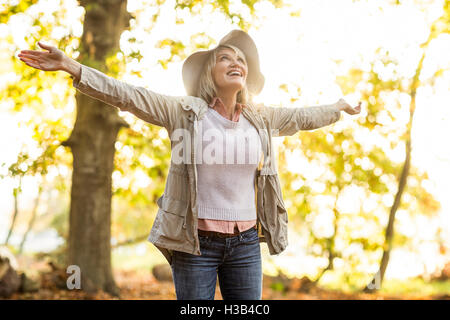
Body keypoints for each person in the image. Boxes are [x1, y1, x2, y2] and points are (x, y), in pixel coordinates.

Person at [18, 29, 361, 300]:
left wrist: (338, 107)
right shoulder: (183, 112)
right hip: (195, 243)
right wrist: (72, 67)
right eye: (225, 57)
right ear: (210, 71)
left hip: (244, 244)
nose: (235, 61)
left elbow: (303, 116)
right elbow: (127, 94)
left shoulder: (261, 118)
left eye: (241, 59)